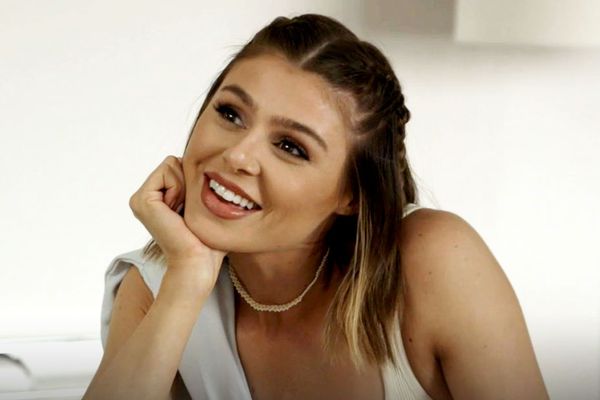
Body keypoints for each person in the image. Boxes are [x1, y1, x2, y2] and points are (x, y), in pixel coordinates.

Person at [84, 14, 549, 400]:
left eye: (290, 146)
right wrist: (187, 276)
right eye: (230, 113)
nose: (238, 155)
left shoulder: (434, 260)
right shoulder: (158, 285)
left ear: (352, 195)